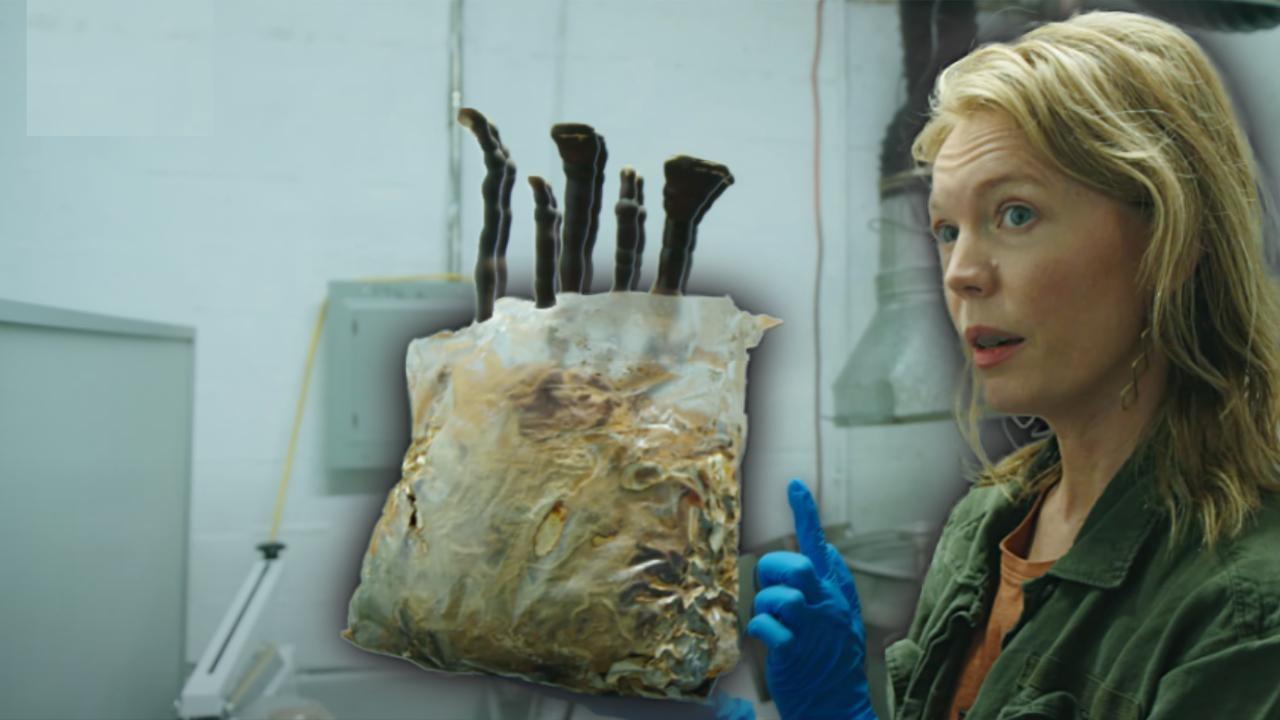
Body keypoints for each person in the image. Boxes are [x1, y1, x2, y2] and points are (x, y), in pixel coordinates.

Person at [746, 10, 1280, 720]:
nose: (960, 273)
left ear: (1170, 240)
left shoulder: (1245, 611)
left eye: (1015, 214)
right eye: (946, 229)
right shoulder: (987, 523)